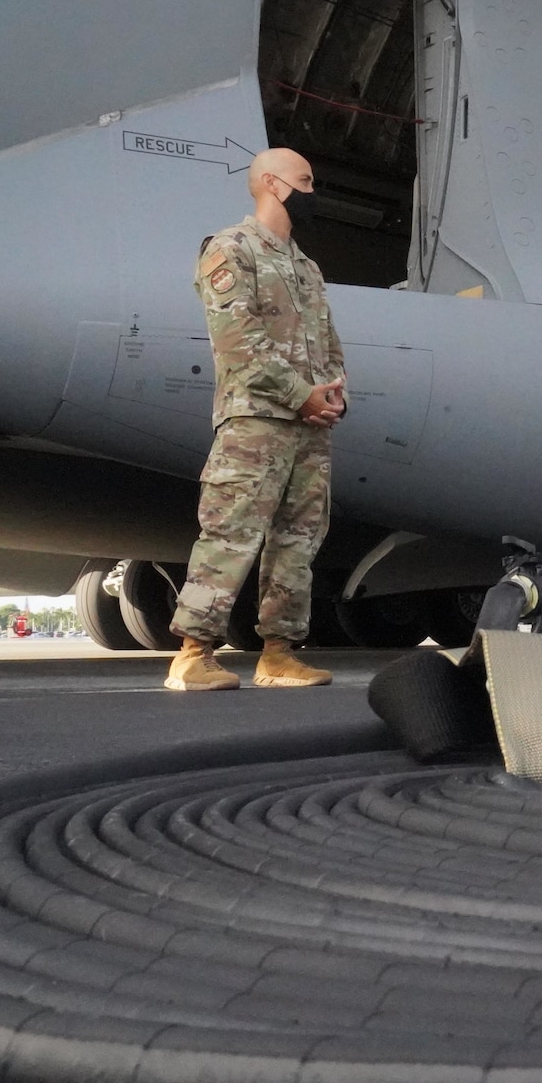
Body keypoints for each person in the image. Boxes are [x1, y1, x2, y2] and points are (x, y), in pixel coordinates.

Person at [164, 147, 347, 691]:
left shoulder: (306, 267)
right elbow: (239, 343)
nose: (313, 191)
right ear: (271, 183)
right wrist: (302, 395)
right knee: (231, 531)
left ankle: (278, 654)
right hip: (256, 422)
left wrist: (334, 394)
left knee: (299, 540)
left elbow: (329, 344)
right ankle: (192, 654)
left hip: (308, 427)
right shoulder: (231, 249)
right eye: (305, 181)